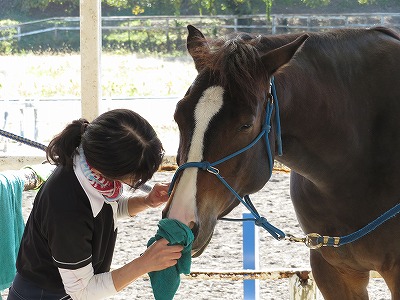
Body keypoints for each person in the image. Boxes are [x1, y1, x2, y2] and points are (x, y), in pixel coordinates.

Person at [7, 109, 183, 300]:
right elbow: (83, 292)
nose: (132, 182)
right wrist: (145, 263)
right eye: (133, 178)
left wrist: (146, 201)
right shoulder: (67, 207)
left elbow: (107, 210)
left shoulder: (90, 169)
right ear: (106, 170)